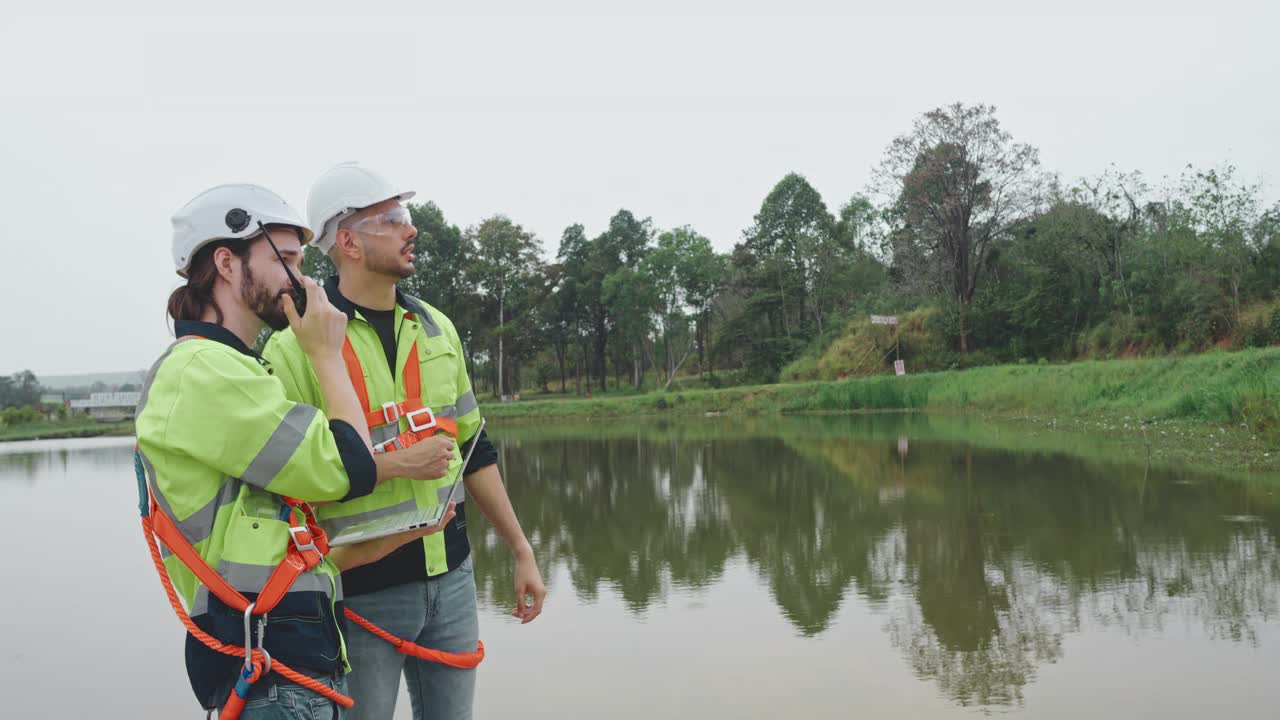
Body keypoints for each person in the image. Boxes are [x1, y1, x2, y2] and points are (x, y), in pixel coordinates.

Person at [136, 184, 458, 718]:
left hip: (281, 664)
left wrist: (396, 537)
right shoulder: (207, 373)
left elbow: (285, 540)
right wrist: (327, 356)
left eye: (302, 262)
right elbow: (349, 467)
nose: (302, 281)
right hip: (270, 673)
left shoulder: (237, 370)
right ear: (226, 262)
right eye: (284, 260)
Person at [262, 162, 546, 719]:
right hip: (358, 592)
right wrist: (393, 463)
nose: (410, 229)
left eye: (406, 216)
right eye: (392, 219)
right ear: (348, 241)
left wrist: (521, 549)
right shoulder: (296, 348)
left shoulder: (437, 329)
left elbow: (475, 451)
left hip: (453, 579)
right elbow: (289, 482)